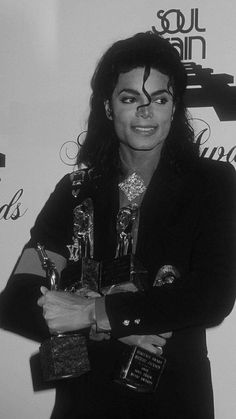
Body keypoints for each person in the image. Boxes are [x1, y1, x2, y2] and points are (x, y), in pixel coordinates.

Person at [1, 31, 236, 419]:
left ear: (174, 108)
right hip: (84, 403)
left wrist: (93, 312)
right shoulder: (75, 191)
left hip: (175, 402)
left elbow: (212, 297)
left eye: (159, 99)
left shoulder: (213, 183)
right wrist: (110, 324)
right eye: (130, 98)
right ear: (108, 108)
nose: (146, 112)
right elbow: (19, 300)